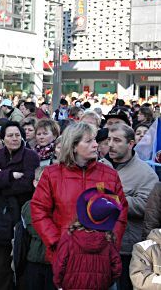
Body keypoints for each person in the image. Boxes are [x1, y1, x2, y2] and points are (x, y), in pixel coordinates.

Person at [31, 122, 128, 265]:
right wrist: (57, 242)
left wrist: (111, 242)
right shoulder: (51, 174)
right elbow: (39, 210)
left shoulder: (109, 175)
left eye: (95, 140)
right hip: (65, 256)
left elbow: (120, 212)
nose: (96, 145)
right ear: (74, 146)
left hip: (100, 256)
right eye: (89, 141)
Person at [0, 121, 40, 289]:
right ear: (3, 138)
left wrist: (0, 178)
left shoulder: (31, 156)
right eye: (10, 135)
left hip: (21, 213)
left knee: (21, 260)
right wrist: (10, 175)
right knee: (2, 263)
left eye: (17, 135)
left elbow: (28, 184)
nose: (14, 138)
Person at [106, 123, 158, 290]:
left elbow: (146, 206)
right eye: (109, 140)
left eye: (117, 140)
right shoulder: (100, 166)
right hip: (99, 244)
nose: (111, 145)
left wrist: (112, 199)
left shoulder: (145, 173)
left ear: (131, 143)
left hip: (125, 247)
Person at [52, 188, 123, 290]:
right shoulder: (109, 240)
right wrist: (107, 282)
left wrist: (59, 285)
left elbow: (59, 265)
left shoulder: (69, 237)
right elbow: (116, 268)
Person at [20, 166, 53, 290]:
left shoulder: (64, 206)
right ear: (35, 183)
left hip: (55, 264)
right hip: (33, 261)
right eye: (42, 181)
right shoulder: (27, 207)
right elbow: (23, 237)